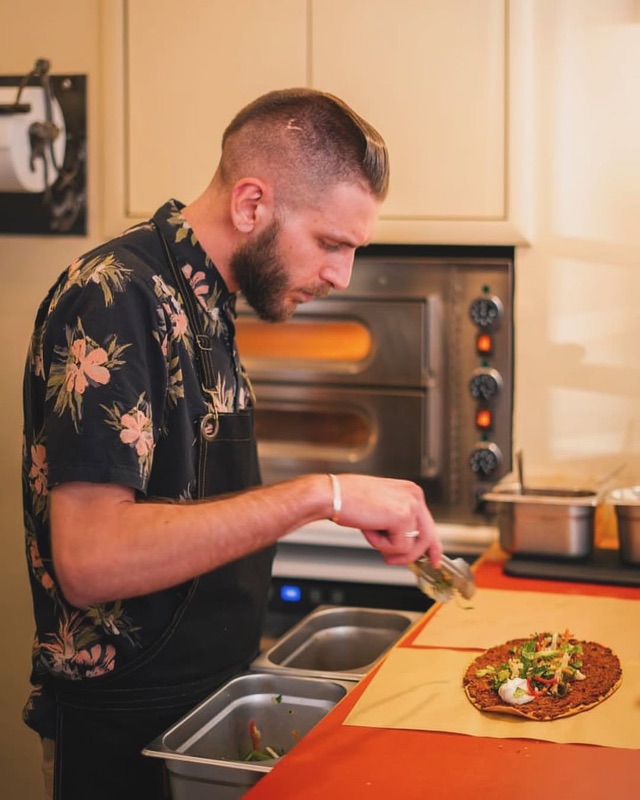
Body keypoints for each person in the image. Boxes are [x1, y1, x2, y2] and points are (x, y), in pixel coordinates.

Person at [21, 87, 442, 800]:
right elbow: (90, 560)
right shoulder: (115, 296)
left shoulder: (209, 305)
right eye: (332, 244)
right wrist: (321, 495)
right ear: (252, 205)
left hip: (208, 699)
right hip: (128, 732)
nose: (340, 276)